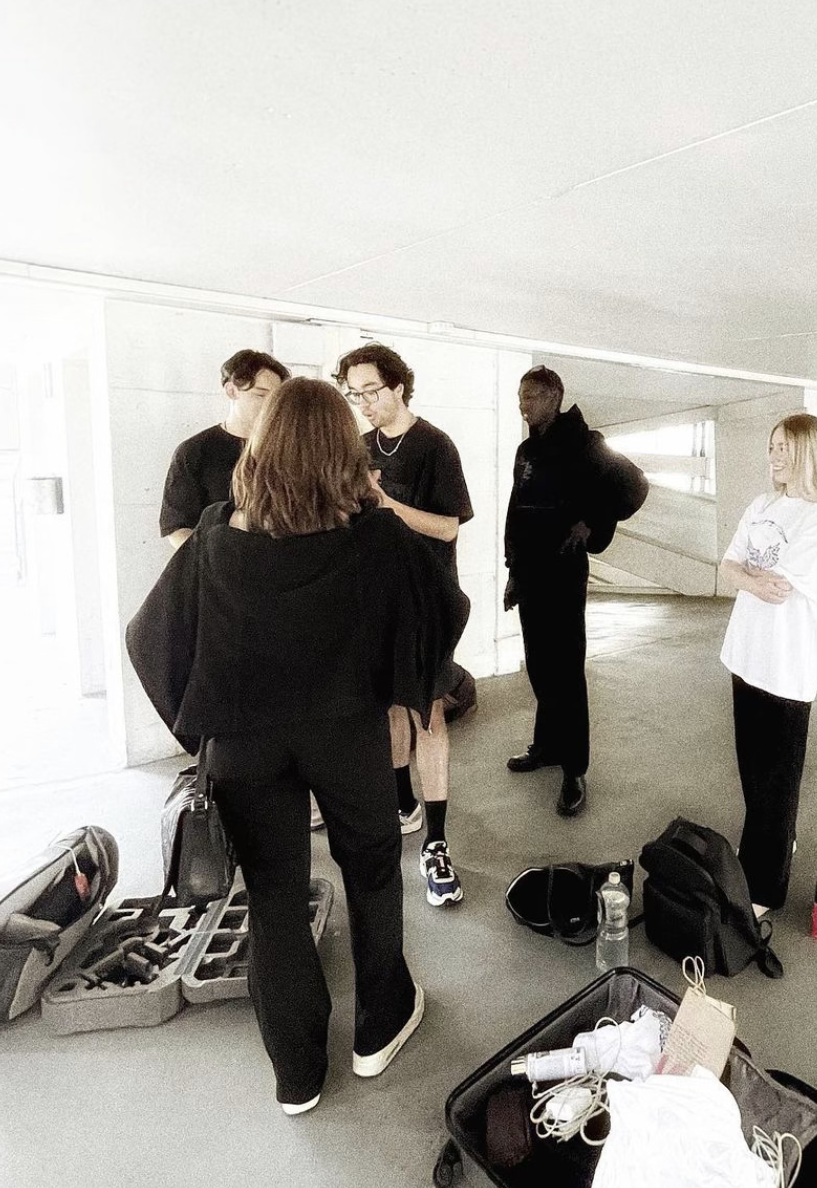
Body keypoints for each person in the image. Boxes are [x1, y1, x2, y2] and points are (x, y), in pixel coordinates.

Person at [127, 379, 468, 1114]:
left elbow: (148, 636)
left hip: (244, 744)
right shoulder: (375, 536)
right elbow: (444, 607)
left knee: (274, 896)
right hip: (346, 735)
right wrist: (400, 683)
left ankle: (297, 1074)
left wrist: (199, 730)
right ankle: (379, 1027)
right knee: (372, 874)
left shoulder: (215, 534)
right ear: (343, 453)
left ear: (262, 446)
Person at [334, 343, 474, 908]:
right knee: (391, 707)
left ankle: (436, 842)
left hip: (427, 602)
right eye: (354, 394)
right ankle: (402, 804)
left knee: (428, 712)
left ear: (398, 386)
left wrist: (384, 501)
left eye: (371, 391)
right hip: (376, 602)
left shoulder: (435, 446)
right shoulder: (359, 447)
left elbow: (447, 528)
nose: (364, 402)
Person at [718, 412, 817, 918]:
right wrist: (749, 576)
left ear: (807, 454)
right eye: (771, 447)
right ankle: (770, 839)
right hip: (746, 653)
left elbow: (780, 586)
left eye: (783, 448)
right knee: (752, 769)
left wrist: (747, 575)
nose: (773, 456)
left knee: (778, 778)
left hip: (788, 663)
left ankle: (765, 888)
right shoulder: (760, 505)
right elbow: (728, 567)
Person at [504, 366, 648, 817]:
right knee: (540, 665)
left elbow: (635, 485)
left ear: (554, 397)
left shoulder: (587, 445)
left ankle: (574, 769)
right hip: (531, 571)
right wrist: (513, 571)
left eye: (531, 396)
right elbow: (516, 511)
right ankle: (547, 746)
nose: (523, 405)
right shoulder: (526, 450)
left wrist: (592, 522)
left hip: (564, 571)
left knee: (566, 670)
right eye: (520, 396)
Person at [160, 349, 291, 549]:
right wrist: (212, 560)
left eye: (275, 399)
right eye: (260, 395)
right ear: (231, 391)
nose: (269, 406)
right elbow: (178, 528)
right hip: (219, 562)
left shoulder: (290, 449)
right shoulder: (194, 451)